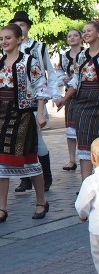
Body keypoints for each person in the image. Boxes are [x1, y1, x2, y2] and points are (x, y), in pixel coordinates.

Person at [0, 24, 49, 224]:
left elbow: (40, 88)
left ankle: (41, 201)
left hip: (23, 115)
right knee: (1, 161)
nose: (4, 42)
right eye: (1, 38)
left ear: (19, 39)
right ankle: (2, 208)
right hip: (1, 115)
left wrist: (41, 113)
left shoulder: (29, 62)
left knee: (30, 159)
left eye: (8, 38)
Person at [10, 11, 59, 193]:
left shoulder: (38, 47)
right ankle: (25, 179)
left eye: (22, 25)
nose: (20, 28)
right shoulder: (11, 47)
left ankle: (46, 177)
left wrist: (50, 95)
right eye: (16, 25)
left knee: (37, 139)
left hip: (35, 98)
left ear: (28, 27)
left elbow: (51, 72)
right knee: (18, 138)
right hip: (16, 100)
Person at [55, 21, 99, 181]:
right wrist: (64, 99)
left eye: (89, 31)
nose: (85, 33)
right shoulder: (81, 56)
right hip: (82, 102)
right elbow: (76, 80)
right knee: (85, 145)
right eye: (84, 31)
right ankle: (86, 186)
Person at [74, 138, 99, 274]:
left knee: (98, 256)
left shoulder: (91, 181)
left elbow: (81, 204)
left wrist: (83, 215)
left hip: (97, 227)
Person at [59, 29, 84, 172]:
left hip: (84, 93)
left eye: (75, 35)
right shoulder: (64, 57)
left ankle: (85, 157)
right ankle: (71, 159)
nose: (72, 38)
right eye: (69, 36)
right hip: (70, 94)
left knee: (84, 127)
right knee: (70, 128)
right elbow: (60, 73)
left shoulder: (86, 54)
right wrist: (64, 79)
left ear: (81, 38)